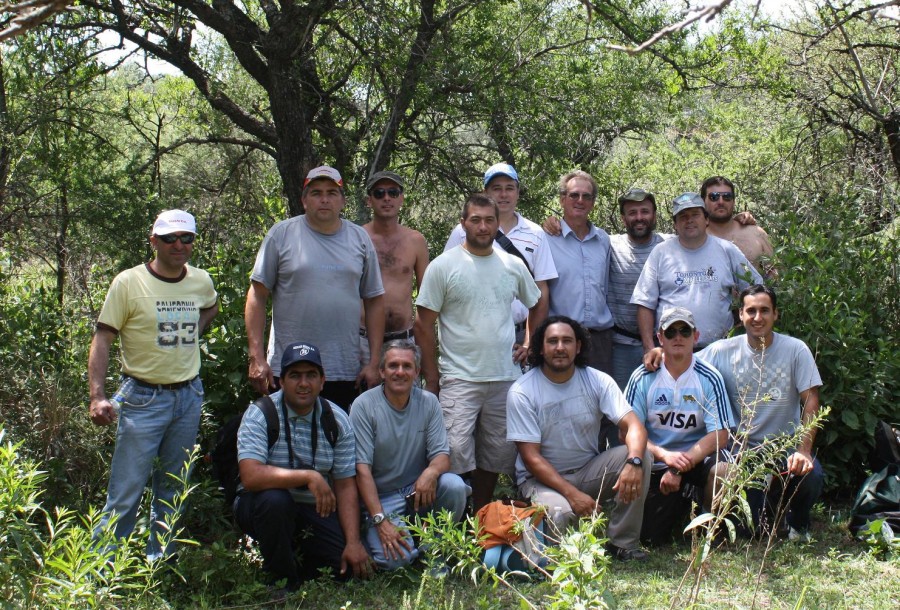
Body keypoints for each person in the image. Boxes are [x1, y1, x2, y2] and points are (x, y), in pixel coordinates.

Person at [88, 209, 218, 559]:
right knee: (126, 489)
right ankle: (102, 573)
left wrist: (190, 334)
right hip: (142, 397)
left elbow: (211, 307)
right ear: (153, 241)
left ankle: (159, 565)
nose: (179, 245)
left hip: (188, 396)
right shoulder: (129, 283)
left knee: (173, 486)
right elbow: (103, 338)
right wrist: (97, 396)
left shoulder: (200, 281)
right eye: (170, 238)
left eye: (186, 238)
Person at [414, 193, 541, 510]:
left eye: (489, 220)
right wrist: (432, 375)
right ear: (463, 223)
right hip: (459, 377)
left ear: (498, 224)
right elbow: (423, 324)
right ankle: (453, 518)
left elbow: (536, 303)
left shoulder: (512, 265)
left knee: (495, 453)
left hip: (504, 377)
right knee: (453, 451)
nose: (483, 227)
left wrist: (528, 342)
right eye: (475, 220)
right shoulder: (443, 267)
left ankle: (481, 515)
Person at [506, 315, 652, 561]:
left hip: (587, 471)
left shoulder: (597, 379)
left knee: (641, 456)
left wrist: (634, 462)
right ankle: (552, 547)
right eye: (552, 341)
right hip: (539, 482)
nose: (560, 347)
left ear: (579, 346)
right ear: (540, 348)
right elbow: (531, 458)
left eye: (567, 341)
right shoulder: (523, 391)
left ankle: (622, 543)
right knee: (561, 516)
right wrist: (573, 496)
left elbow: (634, 426)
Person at [235, 342, 372, 593]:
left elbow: (344, 485)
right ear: (282, 380)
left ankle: (299, 555)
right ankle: (282, 579)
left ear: (322, 381)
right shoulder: (261, 413)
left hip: (314, 508)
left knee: (343, 570)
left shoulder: (336, 420)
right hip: (261, 506)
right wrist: (309, 476)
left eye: (311, 375)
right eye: (295, 375)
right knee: (275, 501)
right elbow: (251, 476)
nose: (303, 383)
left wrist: (353, 542)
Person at [245, 165, 385, 410]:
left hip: (343, 369)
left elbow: (374, 301)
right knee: (285, 443)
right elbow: (257, 294)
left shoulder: (359, 239)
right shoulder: (281, 235)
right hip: (290, 368)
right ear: (304, 200)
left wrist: (374, 362)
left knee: (338, 441)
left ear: (342, 201)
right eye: (316, 192)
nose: (324, 199)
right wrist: (256, 358)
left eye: (332, 193)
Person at [697, 285, 824, 541]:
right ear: (741, 315)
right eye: (751, 311)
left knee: (812, 474)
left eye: (764, 310)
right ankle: (716, 525)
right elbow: (685, 363)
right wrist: (661, 352)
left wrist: (804, 450)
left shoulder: (795, 350)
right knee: (754, 530)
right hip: (739, 450)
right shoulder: (722, 351)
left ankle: (797, 524)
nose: (758, 318)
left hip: (783, 446)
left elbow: (811, 400)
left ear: (776, 314)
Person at [350, 340, 469, 570]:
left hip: (417, 491)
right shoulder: (364, 406)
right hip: (381, 498)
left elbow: (442, 456)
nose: (400, 372)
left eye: (407, 366)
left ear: (416, 372)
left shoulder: (428, 402)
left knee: (454, 485)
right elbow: (361, 469)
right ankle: (377, 534)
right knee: (395, 561)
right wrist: (380, 520)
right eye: (393, 366)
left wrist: (431, 472)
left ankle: (433, 549)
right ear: (382, 371)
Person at [624, 307, 733, 545]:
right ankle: (680, 508)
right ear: (660, 338)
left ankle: (709, 528)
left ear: (696, 336)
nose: (678, 337)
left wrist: (679, 467)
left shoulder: (709, 377)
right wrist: (665, 456)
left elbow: (720, 435)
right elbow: (627, 431)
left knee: (723, 470)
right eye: (670, 332)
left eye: (685, 330)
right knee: (651, 538)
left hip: (696, 459)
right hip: (657, 462)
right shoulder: (642, 377)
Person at [632, 192, 762, 362]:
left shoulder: (726, 249)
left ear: (706, 219)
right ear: (675, 224)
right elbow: (644, 303)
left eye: (695, 215)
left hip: (721, 350)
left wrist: (746, 333)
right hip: (672, 351)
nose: (689, 220)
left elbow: (755, 289)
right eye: (683, 216)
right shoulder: (661, 252)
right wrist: (649, 348)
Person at [444, 163, 558, 357]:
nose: (503, 195)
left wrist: (530, 343)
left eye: (509, 188)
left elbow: (541, 291)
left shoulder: (535, 234)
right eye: (496, 189)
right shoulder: (463, 232)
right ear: (485, 193)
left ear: (517, 192)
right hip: (473, 335)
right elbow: (447, 282)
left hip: (521, 336)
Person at [545, 170, 615, 375]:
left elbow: (606, 285)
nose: (580, 200)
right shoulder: (546, 239)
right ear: (562, 200)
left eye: (587, 196)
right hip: (560, 339)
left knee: (599, 404)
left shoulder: (603, 240)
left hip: (600, 341)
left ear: (593, 203)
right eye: (574, 195)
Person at [359, 171, 430, 364]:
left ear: (401, 199)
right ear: (369, 201)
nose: (387, 198)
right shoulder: (358, 238)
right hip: (362, 342)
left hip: (404, 340)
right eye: (379, 193)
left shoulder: (415, 241)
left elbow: (427, 298)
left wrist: (426, 348)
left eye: (393, 192)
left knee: (406, 394)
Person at [700, 176, 774, 275]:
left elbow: (775, 275)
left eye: (727, 196)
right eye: (714, 197)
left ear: (733, 201)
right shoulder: (696, 238)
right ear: (703, 201)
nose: (721, 202)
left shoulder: (757, 234)